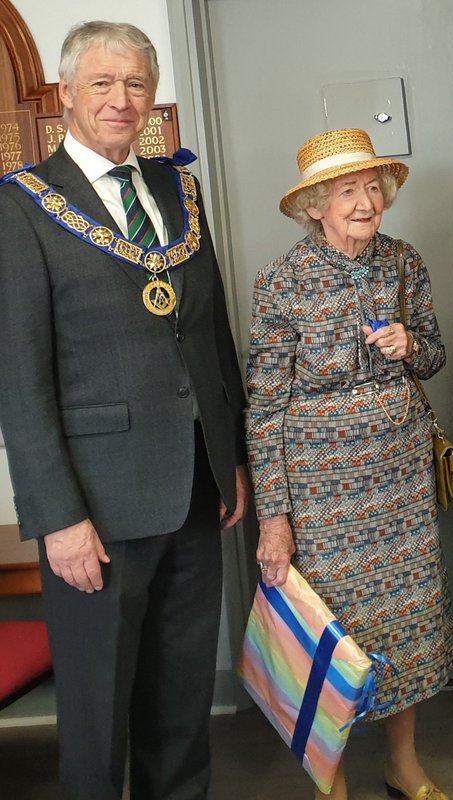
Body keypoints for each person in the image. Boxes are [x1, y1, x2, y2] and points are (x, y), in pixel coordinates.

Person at [0, 21, 249, 800]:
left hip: (194, 490)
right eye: (102, 84)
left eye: (136, 84)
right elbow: (20, 380)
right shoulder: (25, 207)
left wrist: (230, 457)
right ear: (67, 95)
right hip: (96, 512)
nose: (121, 99)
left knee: (179, 706)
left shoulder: (180, 190)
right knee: (99, 713)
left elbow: (212, 336)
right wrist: (56, 516)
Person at [246, 128, 453, 800]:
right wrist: (274, 518)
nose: (365, 202)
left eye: (372, 187)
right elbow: (264, 409)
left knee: (407, 621)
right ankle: (328, 779)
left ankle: (403, 764)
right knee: (328, 635)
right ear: (315, 205)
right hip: (322, 495)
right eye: (346, 191)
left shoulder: (403, 262)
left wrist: (409, 344)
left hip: (399, 482)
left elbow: (434, 359)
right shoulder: (282, 282)